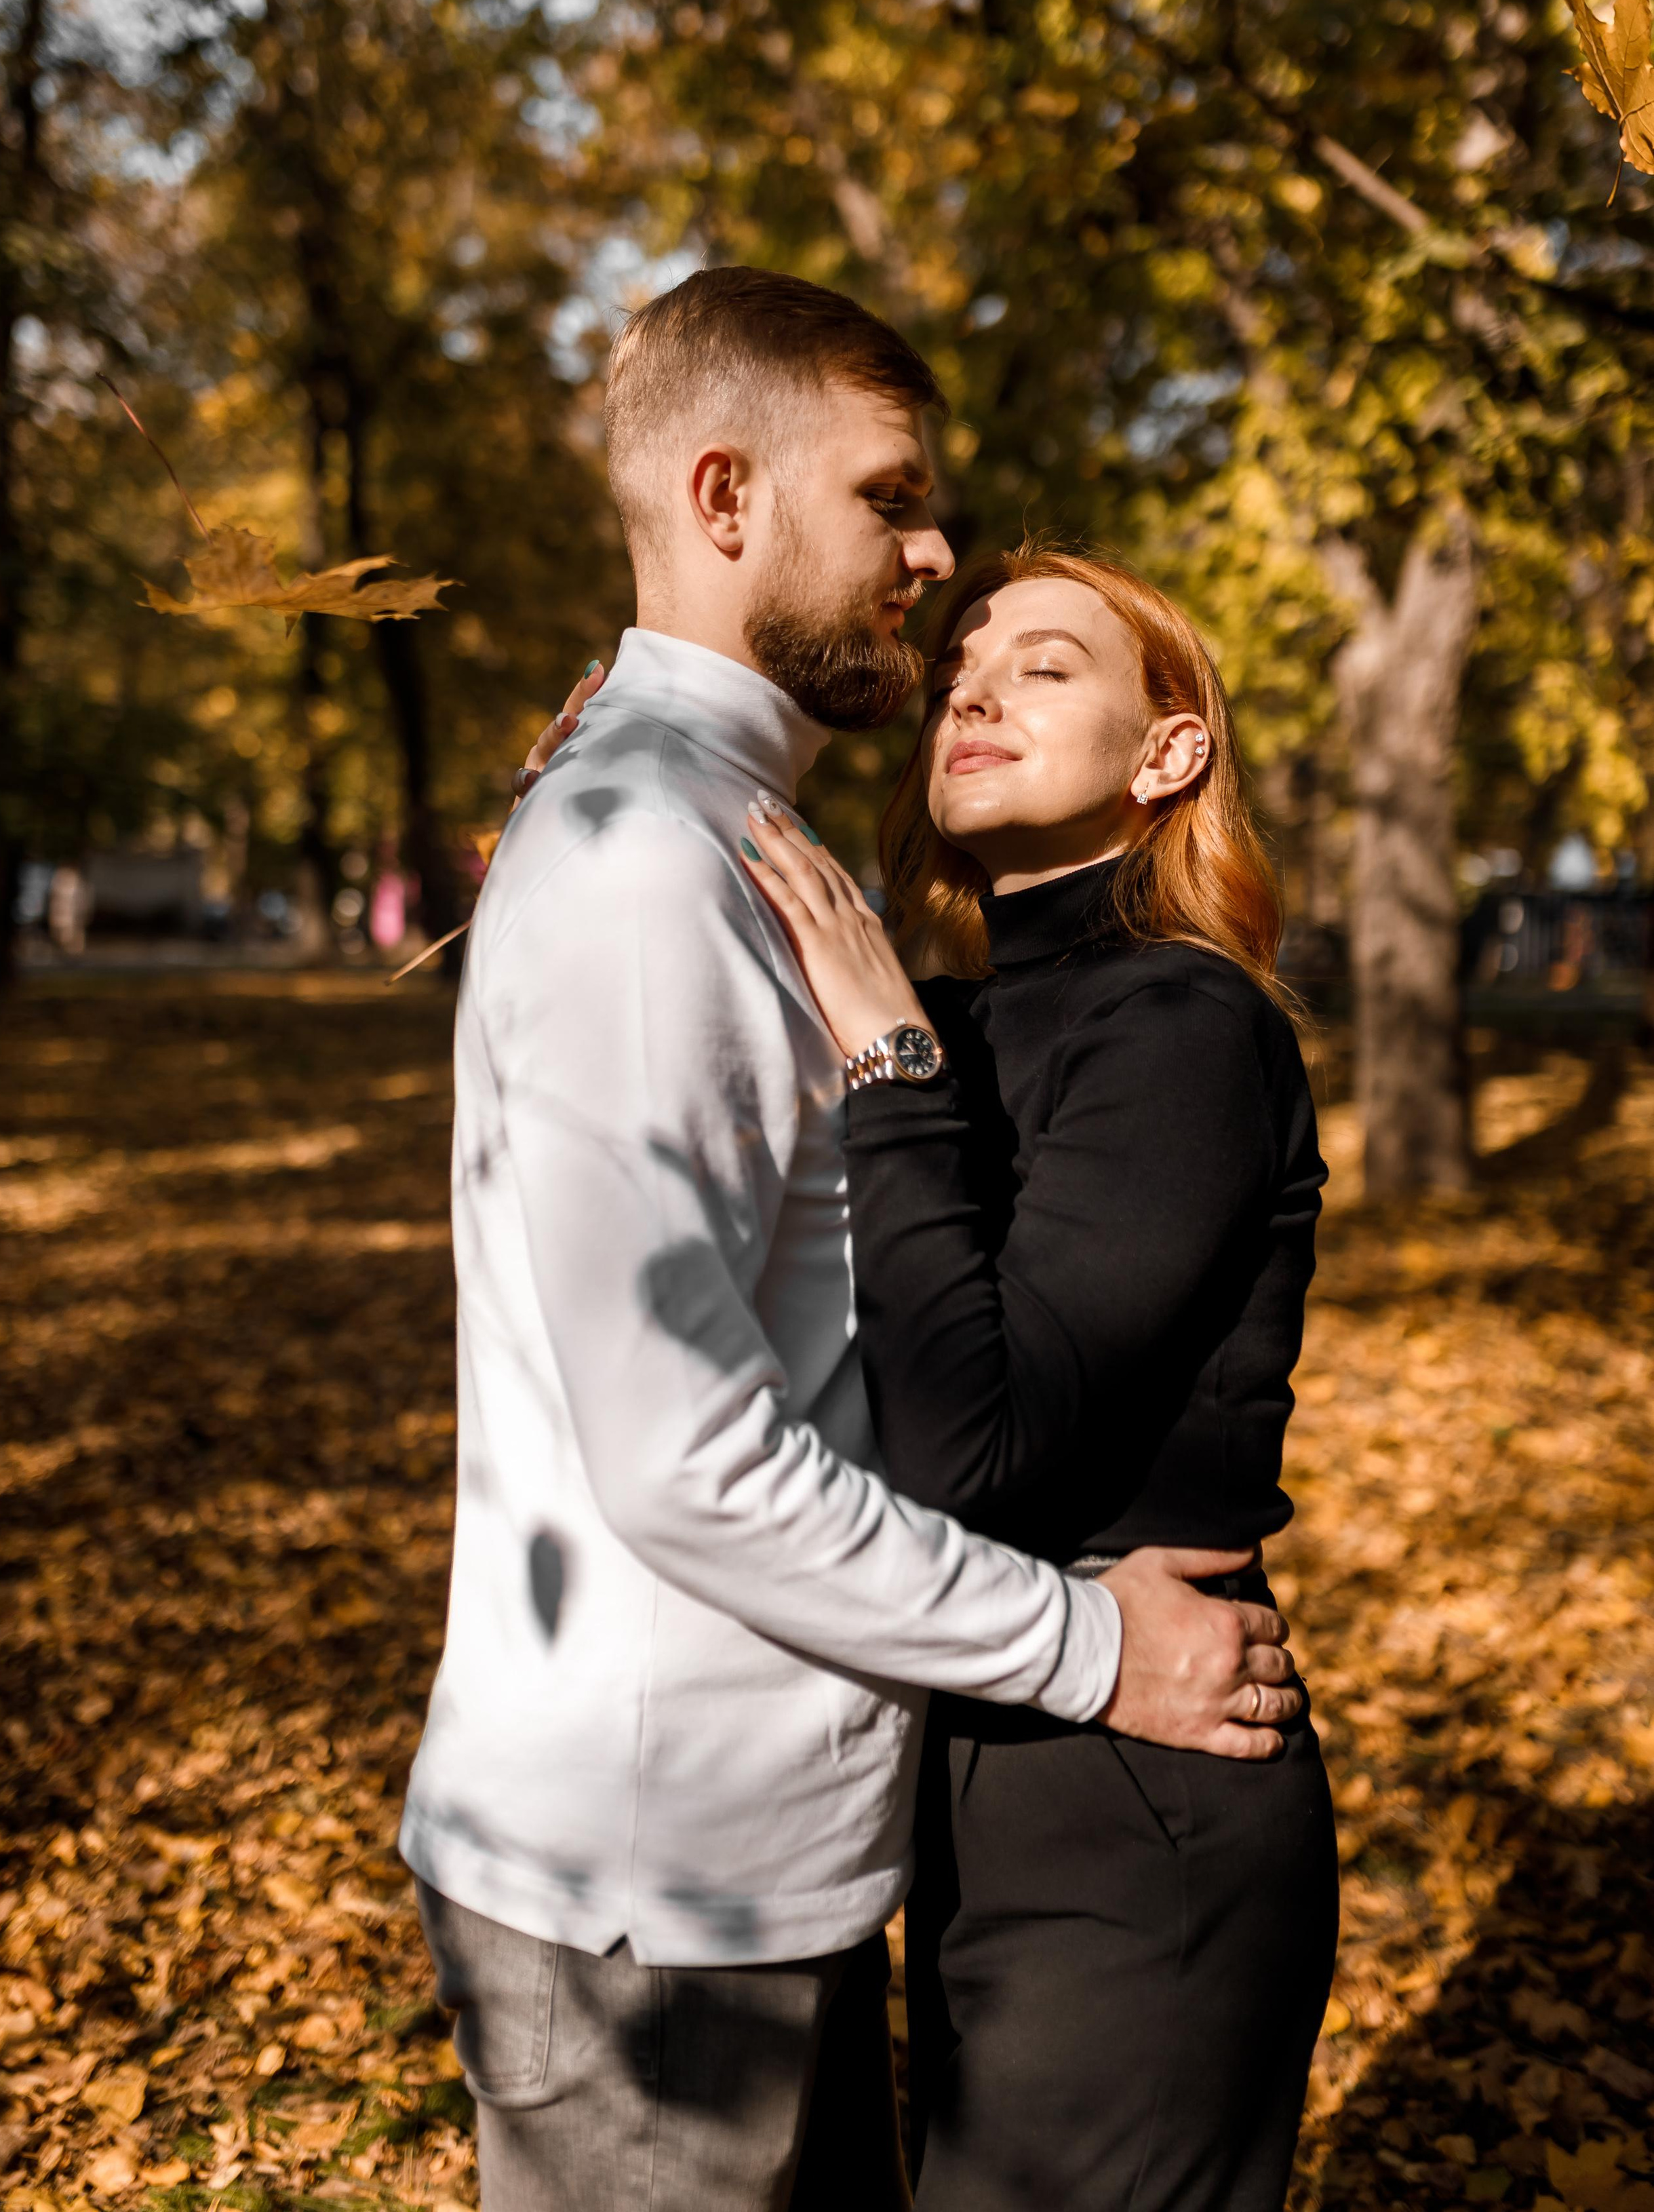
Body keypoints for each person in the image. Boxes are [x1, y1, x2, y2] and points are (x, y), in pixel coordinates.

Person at [402, 267, 1301, 2212]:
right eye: (891, 499)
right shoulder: (655, 859)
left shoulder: (710, 829)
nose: (935, 552)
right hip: (661, 1894)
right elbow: (687, 1457)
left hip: (770, 1853)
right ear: (727, 501)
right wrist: (1087, 1645)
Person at [738, 539, 1339, 2212]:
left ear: (1167, 753)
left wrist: (891, 1059)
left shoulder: (1185, 1029)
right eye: (957, 675)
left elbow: (971, 1449)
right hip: (968, 1748)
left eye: (1046, 666)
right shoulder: (960, 1016)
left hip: (1141, 1795)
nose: (974, 689)